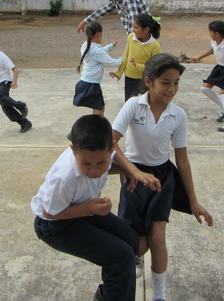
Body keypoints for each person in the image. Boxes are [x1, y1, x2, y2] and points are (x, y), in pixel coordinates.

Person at [112, 54, 213, 301]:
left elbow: (183, 160)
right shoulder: (133, 106)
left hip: (162, 179)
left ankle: (160, 294)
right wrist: (132, 170)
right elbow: (111, 142)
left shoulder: (178, 115)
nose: (172, 89)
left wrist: (193, 201)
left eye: (176, 82)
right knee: (140, 244)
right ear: (148, 81)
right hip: (134, 176)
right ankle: (136, 254)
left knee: (158, 238)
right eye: (165, 82)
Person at [31, 114, 161, 301]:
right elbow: (49, 212)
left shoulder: (100, 152)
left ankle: (108, 295)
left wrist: (128, 170)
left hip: (83, 209)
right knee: (121, 257)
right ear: (73, 151)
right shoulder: (65, 178)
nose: (94, 170)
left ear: (112, 149)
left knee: (132, 241)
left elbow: (110, 164)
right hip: (54, 225)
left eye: (101, 163)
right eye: (86, 164)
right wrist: (89, 208)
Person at [192, 20, 224, 132]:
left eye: (210, 32)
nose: (209, 34)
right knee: (204, 88)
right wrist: (199, 57)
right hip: (220, 68)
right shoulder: (214, 42)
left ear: (217, 33)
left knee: (223, 95)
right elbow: (212, 50)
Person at [74, 21, 122, 116]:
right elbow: (113, 63)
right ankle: (97, 129)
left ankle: (97, 128)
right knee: (99, 110)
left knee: (100, 108)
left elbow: (98, 53)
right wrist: (124, 58)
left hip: (85, 82)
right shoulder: (97, 51)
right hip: (92, 85)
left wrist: (111, 46)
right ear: (99, 34)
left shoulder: (85, 46)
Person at [110, 13, 161, 101]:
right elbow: (126, 56)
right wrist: (119, 72)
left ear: (146, 30)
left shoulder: (154, 45)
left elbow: (154, 66)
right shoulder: (130, 38)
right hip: (129, 78)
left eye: (136, 28)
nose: (133, 30)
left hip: (145, 80)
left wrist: (138, 66)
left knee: (144, 103)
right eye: (133, 27)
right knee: (129, 102)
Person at [77, 0, 151, 35]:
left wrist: (131, 41)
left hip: (144, 35)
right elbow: (102, 11)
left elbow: (133, 21)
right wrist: (84, 21)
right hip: (138, 35)